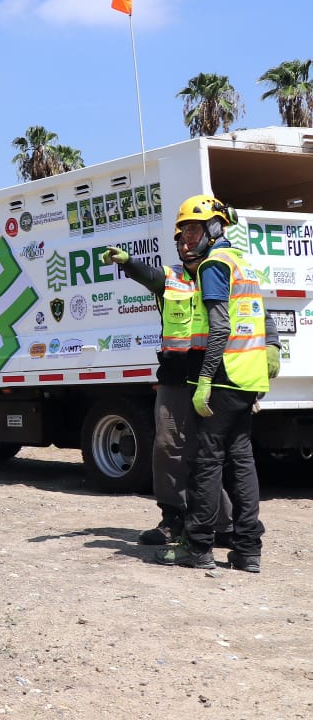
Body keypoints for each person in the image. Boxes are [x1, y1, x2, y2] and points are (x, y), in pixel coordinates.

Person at [141, 196, 274, 571]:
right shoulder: (243, 264)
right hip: (247, 378)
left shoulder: (215, 264)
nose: (187, 239)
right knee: (242, 464)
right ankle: (248, 550)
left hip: (222, 377)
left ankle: (197, 547)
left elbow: (220, 328)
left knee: (207, 463)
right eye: (183, 232)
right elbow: (258, 318)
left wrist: (203, 379)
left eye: (194, 229)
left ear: (215, 229)